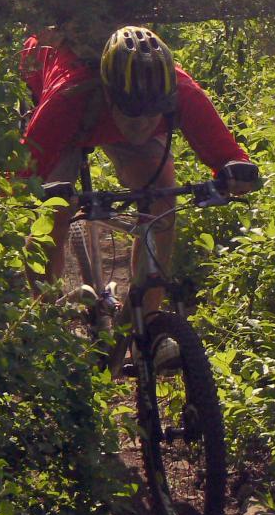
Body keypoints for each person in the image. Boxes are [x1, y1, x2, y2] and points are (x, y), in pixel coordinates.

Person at [21, 25, 260, 313]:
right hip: (68, 113)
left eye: (153, 114)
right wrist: (41, 192)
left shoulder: (181, 92)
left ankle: (146, 321)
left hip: (104, 111)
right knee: (53, 213)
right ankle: (41, 317)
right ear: (111, 96)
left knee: (160, 201)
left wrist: (237, 172)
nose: (144, 125)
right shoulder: (68, 98)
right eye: (134, 114)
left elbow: (228, 156)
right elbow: (22, 177)